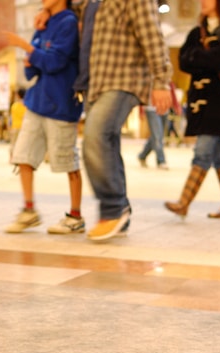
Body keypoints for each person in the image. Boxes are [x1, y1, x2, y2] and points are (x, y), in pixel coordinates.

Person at [77, 0, 173, 240]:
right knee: (107, 143)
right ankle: (121, 212)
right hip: (97, 82)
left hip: (124, 78)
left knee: (96, 136)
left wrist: (161, 80)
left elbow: (151, 34)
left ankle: (113, 209)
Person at [3, 0, 85, 235]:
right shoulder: (44, 22)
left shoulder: (68, 22)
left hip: (61, 104)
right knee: (23, 156)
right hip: (37, 101)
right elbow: (33, 70)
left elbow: (55, 61)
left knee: (67, 160)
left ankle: (75, 215)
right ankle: (29, 211)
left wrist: (26, 48)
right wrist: (32, 55)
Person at [164, 0, 220, 219]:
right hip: (199, 100)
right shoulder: (196, 31)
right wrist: (209, 58)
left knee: (203, 151)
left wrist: (199, 57)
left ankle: (184, 202)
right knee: (218, 155)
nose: (202, 1)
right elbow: (183, 61)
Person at [138, 84, 182, 169]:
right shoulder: (150, 78)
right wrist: (141, 110)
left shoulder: (165, 76)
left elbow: (171, 89)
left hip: (165, 109)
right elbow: (143, 93)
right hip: (151, 108)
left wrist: (176, 106)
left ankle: (142, 156)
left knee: (156, 135)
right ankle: (161, 160)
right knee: (158, 135)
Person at [8, 87, 27, 161]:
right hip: (23, 127)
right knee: (23, 144)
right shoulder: (26, 106)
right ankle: (22, 158)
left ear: (18, 95)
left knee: (13, 143)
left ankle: (11, 157)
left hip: (15, 127)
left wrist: (9, 126)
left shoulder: (14, 105)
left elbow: (11, 118)